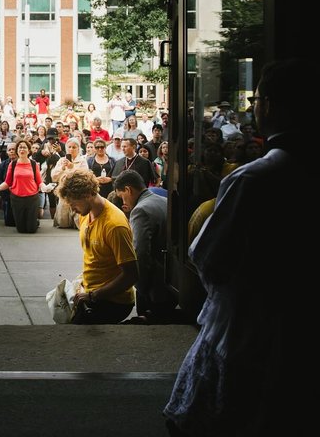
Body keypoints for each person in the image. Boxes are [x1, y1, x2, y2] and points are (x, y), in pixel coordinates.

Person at [163, 59, 302, 436]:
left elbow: (207, 256)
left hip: (245, 328)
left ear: (268, 105)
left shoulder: (252, 179)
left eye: (256, 98)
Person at [54, 169, 138, 324]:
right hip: (90, 291)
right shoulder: (85, 213)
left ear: (87, 195)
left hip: (113, 302)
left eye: (73, 204)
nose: (73, 210)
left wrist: (94, 295)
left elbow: (131, 275)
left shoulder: (114, 225)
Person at [113, 169, 177, 323]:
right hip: (173, 279)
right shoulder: (164, 201)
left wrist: (140, 287)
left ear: (128, 190)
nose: (123, 202)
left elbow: (140, 254)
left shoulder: (140, 210)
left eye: (122, 197)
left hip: (155, 287)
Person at [0, 138, 43, 233]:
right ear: (17, 150)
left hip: (32, 198)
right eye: (20, 148)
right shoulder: (12, 164)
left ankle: (34, 222)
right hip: (16, 198)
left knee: (31, 229)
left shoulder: (34, 164)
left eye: (24, 148)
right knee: (21, 229)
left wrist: (45, 187)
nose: (22, 150)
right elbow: (7, 182)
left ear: (29, 150)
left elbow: (39, 182)